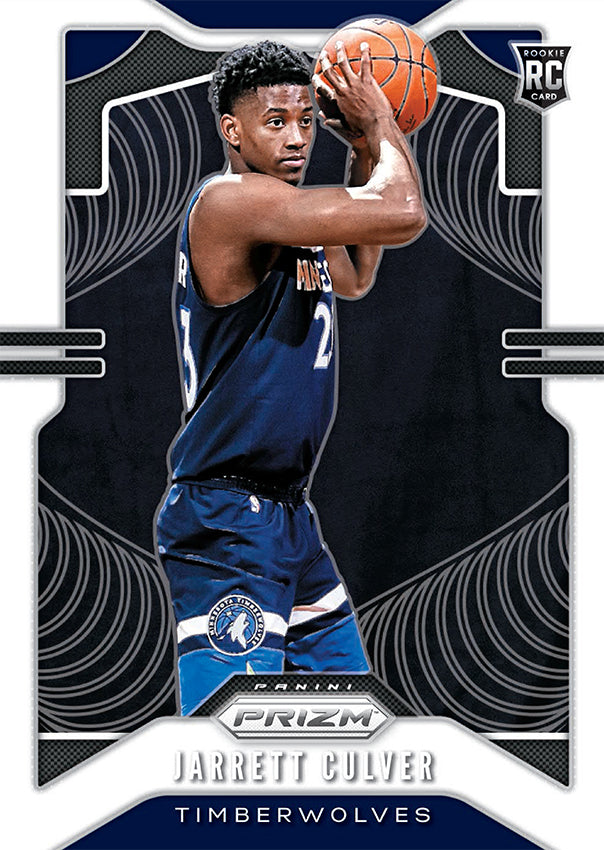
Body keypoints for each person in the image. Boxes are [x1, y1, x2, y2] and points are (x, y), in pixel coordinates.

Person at [156, 39, 426, 715]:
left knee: (345, 721)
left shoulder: (288, 213)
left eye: (307, 120)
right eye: (275, 121)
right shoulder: (233, 202)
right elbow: (402, 213)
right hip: (226, 516)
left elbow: (356, 273)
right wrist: (381, 121)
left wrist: (360, 147)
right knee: (233, 741)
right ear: (232, 130)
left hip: (288, 517)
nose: (298, 137)